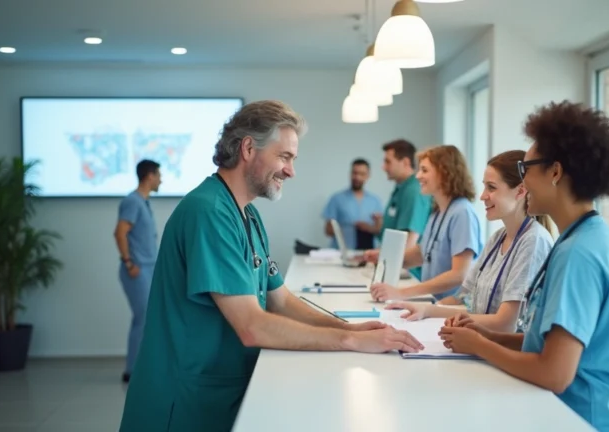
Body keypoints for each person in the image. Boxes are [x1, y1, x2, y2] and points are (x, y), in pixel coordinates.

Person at [119, 100, 423, 432]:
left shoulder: (247, 213)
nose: (291, 170)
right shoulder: (208, 212)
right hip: (183, 401)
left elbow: (281, 300)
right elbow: (252, 325)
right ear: (248, 148)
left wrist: (349, 329)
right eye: (284, 157)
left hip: (220, 389)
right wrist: (347, 341)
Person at [438, 101, 609, 431]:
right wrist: (486, 335)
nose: (523, 184)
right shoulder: (588, 238)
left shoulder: (579, 253)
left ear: (555, 172)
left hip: (591, 419)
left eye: (526, 170)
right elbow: (547, 344)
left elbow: (555, 372)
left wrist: (479, 346)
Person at [386, 150, 554, 332]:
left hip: (499, 349)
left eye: (492, 187)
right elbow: (464, 298)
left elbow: (506, 323)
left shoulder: (534, 240)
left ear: (521, 191)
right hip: (480, 341)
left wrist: (429, 309)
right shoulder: (497, 238)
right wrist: (427, 309)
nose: (482, 196)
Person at [366, 145, 483, 302]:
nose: (418, 176)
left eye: (425, 170)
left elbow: (459, 274)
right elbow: (423, 253)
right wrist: (384, 257)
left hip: (452, 309)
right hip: (435, 303)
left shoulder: (462, 213)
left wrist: (403, 293)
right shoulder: (438, 211)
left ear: (445, 173)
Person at [113, 159, 161, 383]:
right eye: (159, 174)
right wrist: (129, 262)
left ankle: (139, 367)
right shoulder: (132, 201)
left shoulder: (144, 203)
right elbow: (120, 232)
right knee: (142, 319)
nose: (161, 179)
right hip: (137, 270)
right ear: (149, 176)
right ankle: (131, 371)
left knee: (146, 319)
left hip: (148, 269)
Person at [378, 139, 432, 278]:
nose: (383, 167)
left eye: (388, 162)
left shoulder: (414, 191)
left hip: (408, 272)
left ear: (406, 162)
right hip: (395, 265)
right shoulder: (401, 188)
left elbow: (411, 238)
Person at [322, 158, 384, 250]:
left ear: (368, 176)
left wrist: (368, 228)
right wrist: (348, 229)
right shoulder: (336, 199)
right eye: (355, 173)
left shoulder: (375, 201)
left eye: (362, 174)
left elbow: (380, 230)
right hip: (341, 253)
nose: (357, 177)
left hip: (368, 253)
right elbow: (328, 231)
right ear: (350, 174)